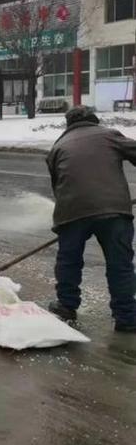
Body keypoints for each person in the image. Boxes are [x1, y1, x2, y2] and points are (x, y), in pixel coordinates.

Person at [46, 106, 136, 332]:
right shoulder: (109, 135)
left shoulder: (58, 146)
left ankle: (66, 306)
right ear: (94, 120)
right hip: (114, 212)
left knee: (69, 261)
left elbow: (58, 186)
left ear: (69, 124)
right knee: (120, 266)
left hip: (72, 211)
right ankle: (126, 317)